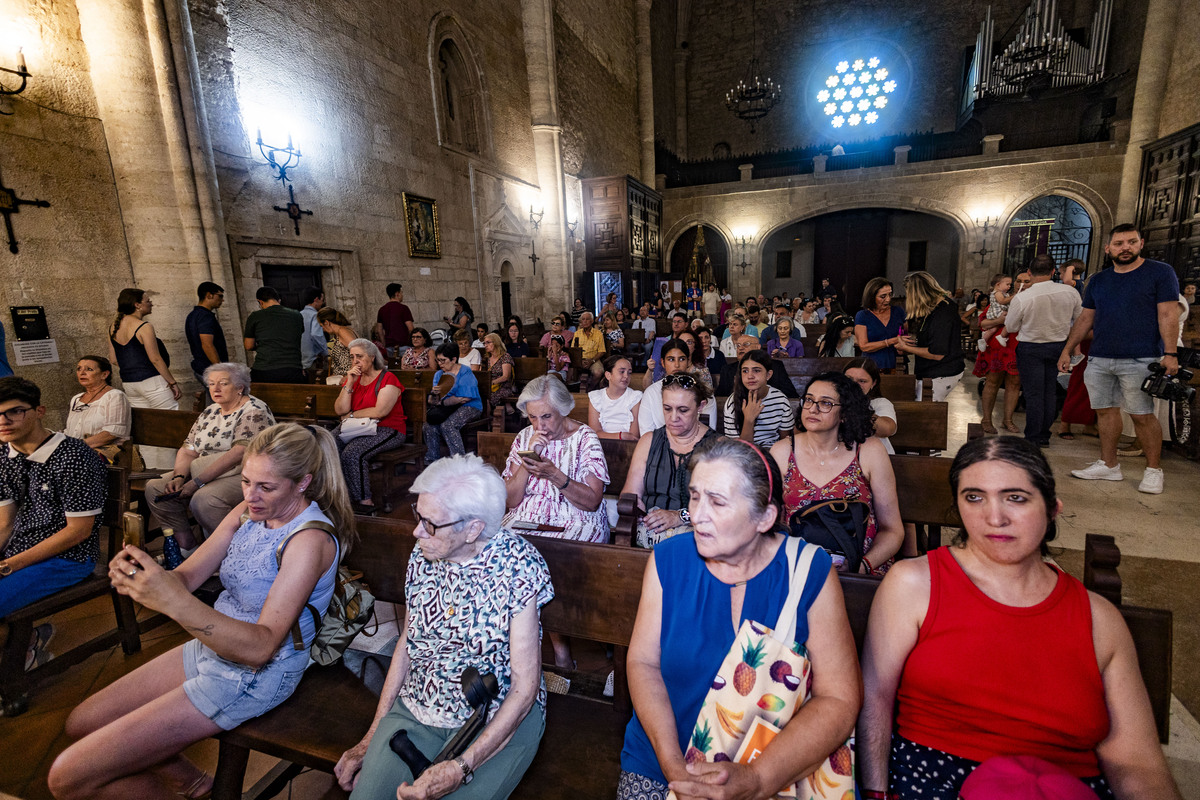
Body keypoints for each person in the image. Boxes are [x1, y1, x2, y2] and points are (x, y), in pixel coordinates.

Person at [858, 437, 1183, 800]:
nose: (994, 518)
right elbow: (875, 698)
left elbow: (1135, 765)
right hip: (931, 779)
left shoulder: (1097, 620)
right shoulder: (914, 585)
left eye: (1016, 498)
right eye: (974, 497)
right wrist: (876, 793)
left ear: (1053, 508)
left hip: (1062, 786)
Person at [50, 423, 352, 800]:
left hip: (258, 672)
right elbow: (188, 577)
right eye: (245, 481)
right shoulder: (248, 511)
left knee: (67, 777)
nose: (251, 495)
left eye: (266, 487)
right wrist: (147, 575)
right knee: (82, 722)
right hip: (215, 646)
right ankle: (193, 784)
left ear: (303, 483)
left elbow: (260, 648)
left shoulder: (309, 539)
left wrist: (171, 601)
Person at [619, 435, 860, 799]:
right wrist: (674, 767)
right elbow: (642, 663)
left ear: (765, 517)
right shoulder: (668, 560)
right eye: (695, 496)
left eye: (717, 502)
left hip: (774, 767)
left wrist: (757, 779)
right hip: (659, 760)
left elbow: (839, 699)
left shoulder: (807, 570)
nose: (697, 516)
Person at [334, 454, 553, 800]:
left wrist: (461, 768)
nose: (417, 531)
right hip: (419, 702)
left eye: (431, 523)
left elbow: (524, 688)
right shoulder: (425, 553)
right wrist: (369, 738)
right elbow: (408, 642)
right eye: (418, 516)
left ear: (473, 528)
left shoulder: (517, 566)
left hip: (494, 714)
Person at [1058, 224, 1181, 495]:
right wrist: (1068, 348)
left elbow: (1168, 315)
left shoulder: (1160, 272)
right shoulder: (1100, 280)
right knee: (1105, 411)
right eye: (1118, 243)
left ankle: (1153, 470)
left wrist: (1170, 353)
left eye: (1130, 242)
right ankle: (1109, 465)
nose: (1124, 247)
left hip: (1140, 355)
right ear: (1108, 248)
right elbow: (1086, 317)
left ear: (1140, 243)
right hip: (1100, 356)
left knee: (1141, 414)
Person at [771, 372, 903, 574]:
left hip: (860, 566)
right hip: (796, 566)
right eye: (809, 400)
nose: (813, 409)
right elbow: (771, 524)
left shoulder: (869, 451)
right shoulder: (782, 452)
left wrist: (860, 566)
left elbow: (892, 530)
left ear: (845, 414)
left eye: (825, 403)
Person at [0, 377, 106, 628]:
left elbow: (78, 531)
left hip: (68, 557)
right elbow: (5, 523)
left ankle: (28, 646)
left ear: (39, 411)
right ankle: (28, 646)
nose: (3, 421)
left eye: (15, 411)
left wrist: (8, 566)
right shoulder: (3, 454)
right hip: (17, 550)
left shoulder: (73, 456)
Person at [144, 363, 275, 552]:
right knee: (156, 487)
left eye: (223, 383)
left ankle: (231, 550)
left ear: (240, 388)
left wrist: (197, 482)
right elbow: (188, 449)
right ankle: (187, 547)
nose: (216, 389)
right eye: (212, 384)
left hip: (245, 473)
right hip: (205, 470)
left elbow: (239, 453)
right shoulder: (210, 411)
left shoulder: (254, 410)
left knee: (205, 499)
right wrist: (179, 477)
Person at [620, 374, 718, 549]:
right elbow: (630, 494)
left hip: (698, 536)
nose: (673, 417)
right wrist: (638, 507)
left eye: (683, 410)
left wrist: (679, 516)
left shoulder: (718, 447)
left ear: (700, 406)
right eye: (667, 408)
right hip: (652, 533)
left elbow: (721, 506)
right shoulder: (649, 441)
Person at [1006, 254, 1082, 446]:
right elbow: (1080, 319)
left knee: (1033, 394)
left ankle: (1033, 437)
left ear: (1029, 273)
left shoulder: (1024, 298)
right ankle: (1043, 435)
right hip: (1058, 346)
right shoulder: (1070, 292)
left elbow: (1012, 326)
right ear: (1053, 271)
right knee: (1049, 392)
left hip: (1031, 347)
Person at [333, 339, 407, 514]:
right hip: (356, 427)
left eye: (359, 356)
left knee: (352, 453)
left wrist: (351, 415)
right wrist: (350, 383)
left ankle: (364, 502)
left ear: (372, 357)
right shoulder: (353, 379)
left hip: (388, 428)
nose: (355, 361)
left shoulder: (387, 378)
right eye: (352, 357)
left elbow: (380, 411)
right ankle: (341, 497)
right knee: (328, 444)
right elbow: (339, 409)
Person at [109, 288, 180, 468]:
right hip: (152, 382)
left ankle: (152, 471)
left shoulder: (113, 327)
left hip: (130, 384)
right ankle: (169, 473)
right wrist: (172, 382)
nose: (151, 303)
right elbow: (155, 358)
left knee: (146, 430)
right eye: (147, 300)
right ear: (137, 305)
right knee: (168, 426)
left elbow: (114, 359)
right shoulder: (144, 326)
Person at [896, 271, 965, 402]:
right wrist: (908, 347)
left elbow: (937, 353)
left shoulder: (943, 313)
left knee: (923, 414)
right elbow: (931, 341)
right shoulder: (934, 309)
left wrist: (906, 347)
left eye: (909, 294)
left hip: (941, 373)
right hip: (931, 372)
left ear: (918, 294)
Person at [972, 273, 1022, 434]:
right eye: (1018, 281)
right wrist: (999, 321)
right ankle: (986, 419)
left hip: (1017, 344)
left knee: (1014, 383)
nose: (1021, 284)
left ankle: (1008, 420)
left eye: (1026, 281)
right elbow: (982, 323)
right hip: (997, 345)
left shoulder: (1027, 301)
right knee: (992, 381)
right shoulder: (1001, 300)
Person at [65, 356, 132, 463]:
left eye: (89, 369)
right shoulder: (77, 399)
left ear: (104, 374)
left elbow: (112, 433)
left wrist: (77, 447)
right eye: (79, 369)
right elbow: (70, 431)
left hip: (106, 455)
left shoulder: (115, 396)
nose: (82, 373)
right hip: (77, 452)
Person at [424, 342, 483, 463]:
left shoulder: (465, 372)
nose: (439, 364)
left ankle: (459, 461)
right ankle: (432, 460)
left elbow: (465, 398)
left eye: (443, 360)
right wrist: (435, 396)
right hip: (447, 408)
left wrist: (443, 402)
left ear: (454, 359)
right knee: (428, 425)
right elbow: (434, 401)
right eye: (438, 360)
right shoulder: (439, 374)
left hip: (470, 406)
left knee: (449, 425)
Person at [723, 350, 795, 447]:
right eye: (745, 371)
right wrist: (749, 419)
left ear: (768, 375)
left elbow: (785, 441)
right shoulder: (732, 403)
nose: (750, 376)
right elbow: (738, 449)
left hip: (773, 453)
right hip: (744, 455)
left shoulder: (780, 400)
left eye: (756, 370)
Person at [243, 286, 305, 384]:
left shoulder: (256, 316)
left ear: (260, 302)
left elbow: (248, 345)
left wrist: (263, 344)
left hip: (265, 369)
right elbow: (295, 337)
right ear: (278, 300)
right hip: (293, 368)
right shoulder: (296, 315)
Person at [843, 358, 896, 454]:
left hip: (876, 457)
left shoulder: (880, 403)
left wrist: (856, 405)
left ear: (873, 383)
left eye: (862, 381)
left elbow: (887, 429)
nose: (854, 385)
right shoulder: (833, 401)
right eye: (848, 379)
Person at [854, 278, 906, 373]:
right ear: (871, 297)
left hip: (897, 364)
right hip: (872, 366)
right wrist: (890, 341)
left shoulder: (898, 311)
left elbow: (904, 335)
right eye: (883, 296)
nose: (888, 299)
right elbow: (864, 346)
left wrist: (904, 346)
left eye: (890, 294)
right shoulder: (862, 315)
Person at [588, 355, 642, 441]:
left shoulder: (635, 398)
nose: (626, 376)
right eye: (622, 372)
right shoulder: (596, 397)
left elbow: (633, 436)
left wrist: (624, 437)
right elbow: (595, 432)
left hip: (627, 447)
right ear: (608, 375)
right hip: (601, 445)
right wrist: (621, 436)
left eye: (629, 372)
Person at [184, 282, 228, 385]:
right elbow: (207, 344)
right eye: (220, 296)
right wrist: (220, 369)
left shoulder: (192, 315)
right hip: (210, 369)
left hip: (203, 367)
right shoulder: (205, 316)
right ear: (209, 295)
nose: (222, 300)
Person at [317, 307, 358, 385]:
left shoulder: (343, 331)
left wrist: (350, 375)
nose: (323, 329)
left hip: (349, 380)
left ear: (326, 322)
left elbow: (359, 353)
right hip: (342, 379)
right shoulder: (340, 332)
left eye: (322, 326)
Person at [484, 332, 517, 425]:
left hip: (503, 387)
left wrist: (492, 382)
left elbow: (506, 376)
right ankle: (487, 420)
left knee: (487, 398)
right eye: (484, 343)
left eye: (488, 342)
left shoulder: (505, 357)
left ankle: (490, 422)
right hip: (489, 387)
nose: (485, 345)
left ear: (495, 343)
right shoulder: (487, 359)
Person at [373, 283, 414, 356]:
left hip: (389, 346)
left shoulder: (382, 310)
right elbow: (410, 328)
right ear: (397, 294)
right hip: (403, 345)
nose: (402, 295)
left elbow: (379, 330)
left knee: (392, 366)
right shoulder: (403, 308)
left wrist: (384, 344)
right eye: (401, 293)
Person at [299, 286, 327, 377]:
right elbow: (316, 335)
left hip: (299, 359)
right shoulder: (315, 315)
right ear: (316, 299)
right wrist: (325, 352)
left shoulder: (298, 315)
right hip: (312, 360)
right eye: (322, 300)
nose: (322, 303)